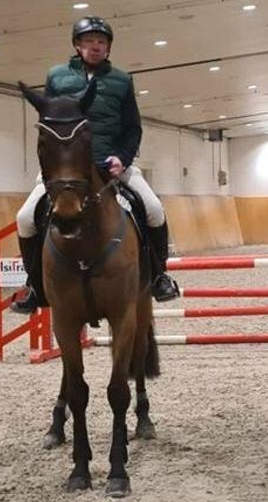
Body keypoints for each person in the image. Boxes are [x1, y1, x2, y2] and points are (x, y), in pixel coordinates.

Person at [12, 17, 179, 313]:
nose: (95, 47)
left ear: (108, 48)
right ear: (77, 45)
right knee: (25, 218)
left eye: (101, 42)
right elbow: (49, 122)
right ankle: (34, 285)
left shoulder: (121, 80)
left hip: (112, 164)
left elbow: (133, 128)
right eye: (89, 42)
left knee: (153, 210)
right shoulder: (57, 76)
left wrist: (122, 159)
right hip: (66, 169)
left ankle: (159, 276)